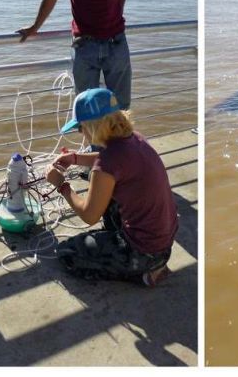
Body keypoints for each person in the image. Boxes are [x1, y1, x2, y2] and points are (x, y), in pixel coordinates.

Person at [44, 88, 178, 286]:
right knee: (107, 199)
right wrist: (74, 158)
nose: (81, 133)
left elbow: (89, 216)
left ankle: (144, 274)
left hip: (143, 251)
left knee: (67, 253)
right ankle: (147, 261)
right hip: (163, 243)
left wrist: (62, 185)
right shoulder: (135, 139)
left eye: (81, 128)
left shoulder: (106, 165)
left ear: (92, 126)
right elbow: (112, 160)